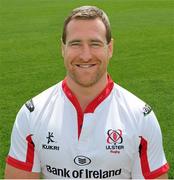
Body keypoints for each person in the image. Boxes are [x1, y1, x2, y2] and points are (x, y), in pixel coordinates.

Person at [5, 5, 169, 179]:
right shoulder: (32, 114)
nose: (85, 55)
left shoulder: (140, 117)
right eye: (76, 44)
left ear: (110, 48)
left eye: (95, 43)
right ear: (63, 48)